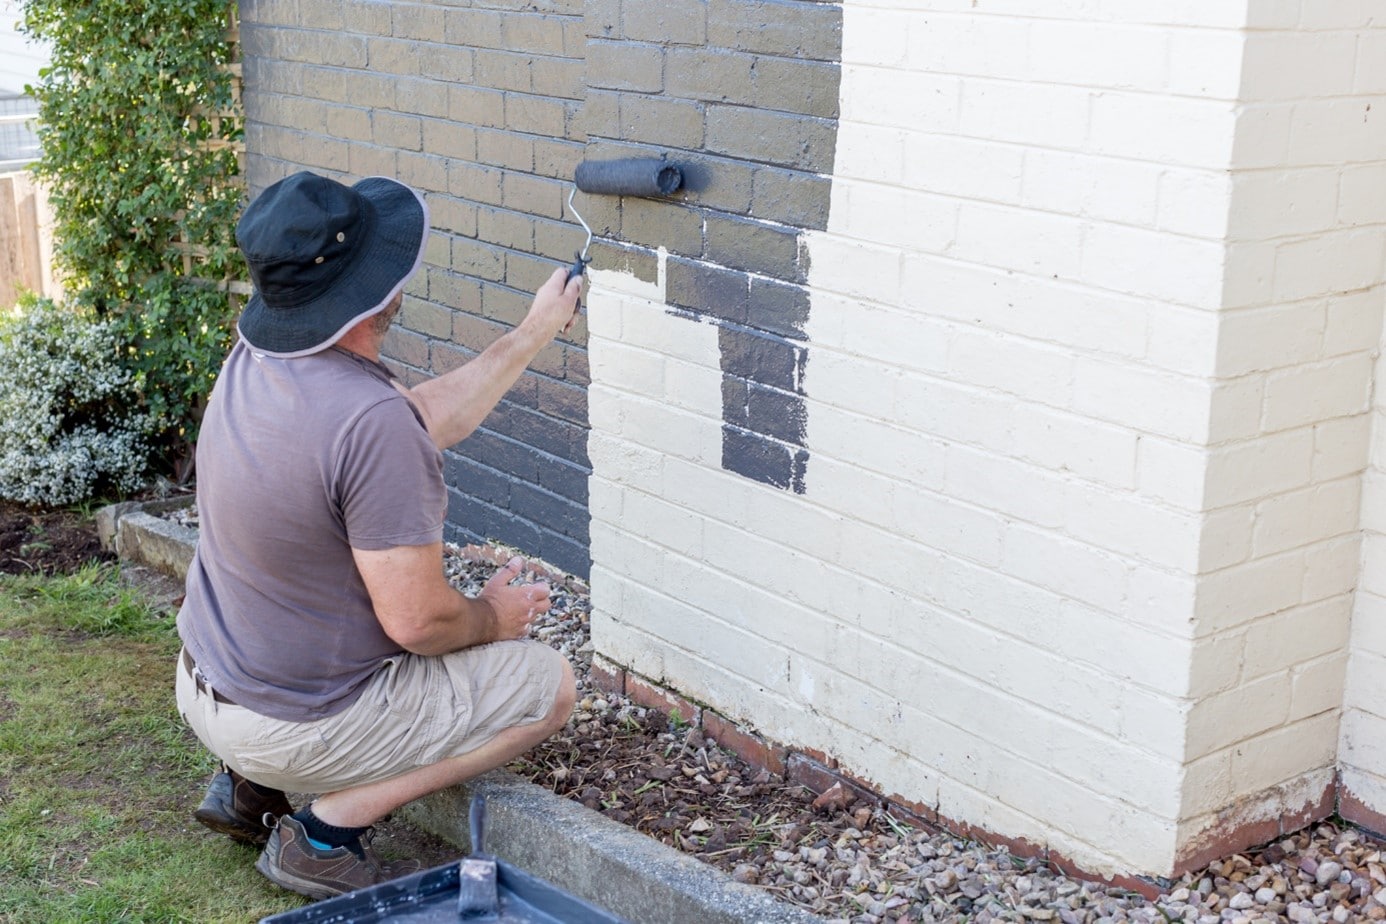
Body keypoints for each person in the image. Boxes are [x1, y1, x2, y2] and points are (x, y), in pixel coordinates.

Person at [174, 171, 581, 900]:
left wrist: (533, 331)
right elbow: (419, 623)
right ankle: (326, 833)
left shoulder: (263, 359)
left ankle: (248, 789)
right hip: (290, 724)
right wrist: (495, 618)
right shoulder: (369, 423)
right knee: (547, 687)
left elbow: (420, 416)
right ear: (375, 289)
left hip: (211, 684)